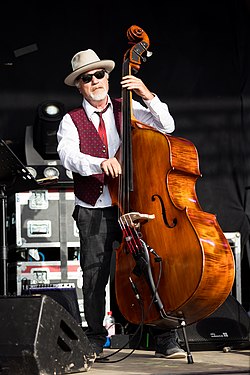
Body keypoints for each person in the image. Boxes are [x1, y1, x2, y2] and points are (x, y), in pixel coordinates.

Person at [57, 49, 186, 360]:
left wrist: (146, 93)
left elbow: (166, 126)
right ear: (80, 86)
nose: (95, 81)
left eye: (99, 75)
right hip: (95, 207)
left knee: (148, 266)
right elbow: (67, 156)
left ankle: (164, 338)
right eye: (86, 79)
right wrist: (100, 163)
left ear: (108, 76)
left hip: (133, 201)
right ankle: (95, 338)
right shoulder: (70, 120)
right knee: (94, 274)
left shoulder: (125, 108)